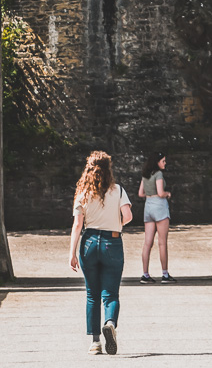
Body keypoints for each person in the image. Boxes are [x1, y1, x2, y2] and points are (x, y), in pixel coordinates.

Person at [69, 150, 133, 356]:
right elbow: (129, 216)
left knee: (91, 295)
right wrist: (116, 223)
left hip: (88, 243)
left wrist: (72, 253)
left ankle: (95, 342)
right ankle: (110, 323)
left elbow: (77, 225)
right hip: (112, 242)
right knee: (111, 293)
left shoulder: (82, 193)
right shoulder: (118, 190)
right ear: (108, 170)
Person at [138, 150, 174, 283]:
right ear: (157, 162)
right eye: (163, 161)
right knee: (162, 243)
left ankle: (145, 275)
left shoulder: (145, 175)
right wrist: (167, 194)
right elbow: (160, 192)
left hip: (148, 207)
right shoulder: (158, 174)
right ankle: (165, 274)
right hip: (159, 207)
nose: (165, 163)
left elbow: (140, 193)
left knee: (147, 243)